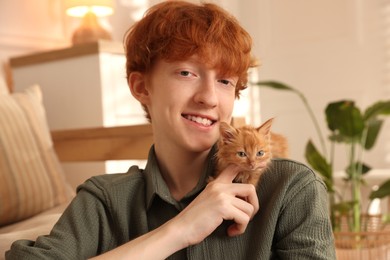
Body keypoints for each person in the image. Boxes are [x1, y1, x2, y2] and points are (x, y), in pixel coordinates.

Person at [6, 1, 336, 259]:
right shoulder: (103, 202)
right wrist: (178, 230)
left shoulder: (292, 190)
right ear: (141, 87)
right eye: (186, 73)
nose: (208, 97)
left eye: (224, 81)